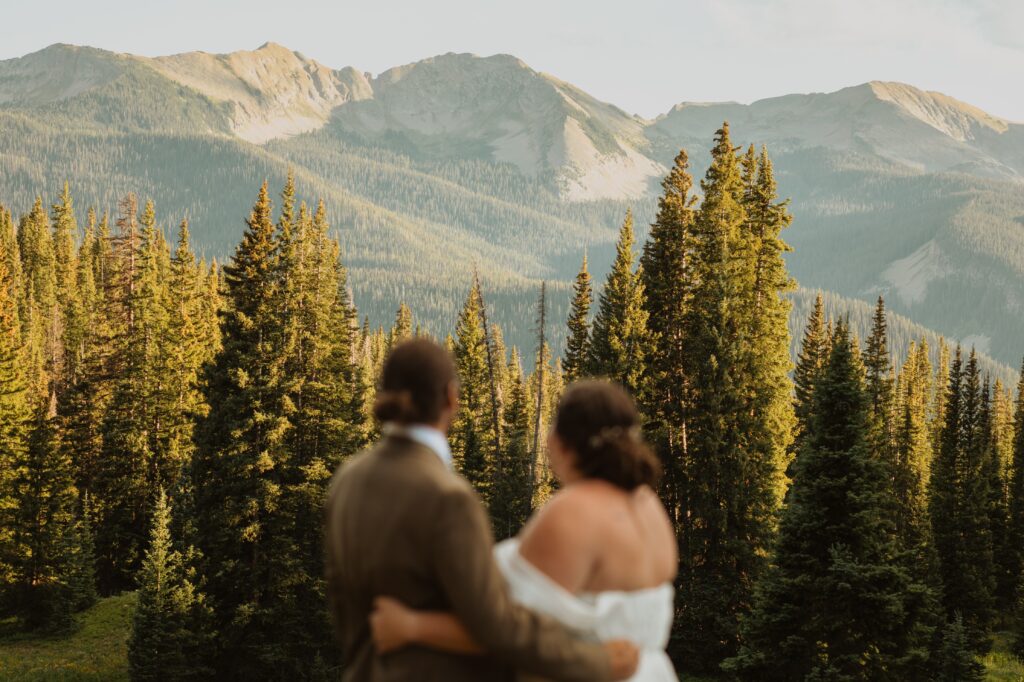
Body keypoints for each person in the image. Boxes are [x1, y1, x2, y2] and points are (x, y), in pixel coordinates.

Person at [325, 339, 639, 681]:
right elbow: (497, 624)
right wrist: (596, 663)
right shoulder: (448, 498)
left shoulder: (346, 480)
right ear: (450, 397)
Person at [370, 379, 678, 681]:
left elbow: (504, 627)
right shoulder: (648, 506)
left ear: (562, 442)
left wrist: (411, 626)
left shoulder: (574, 511)